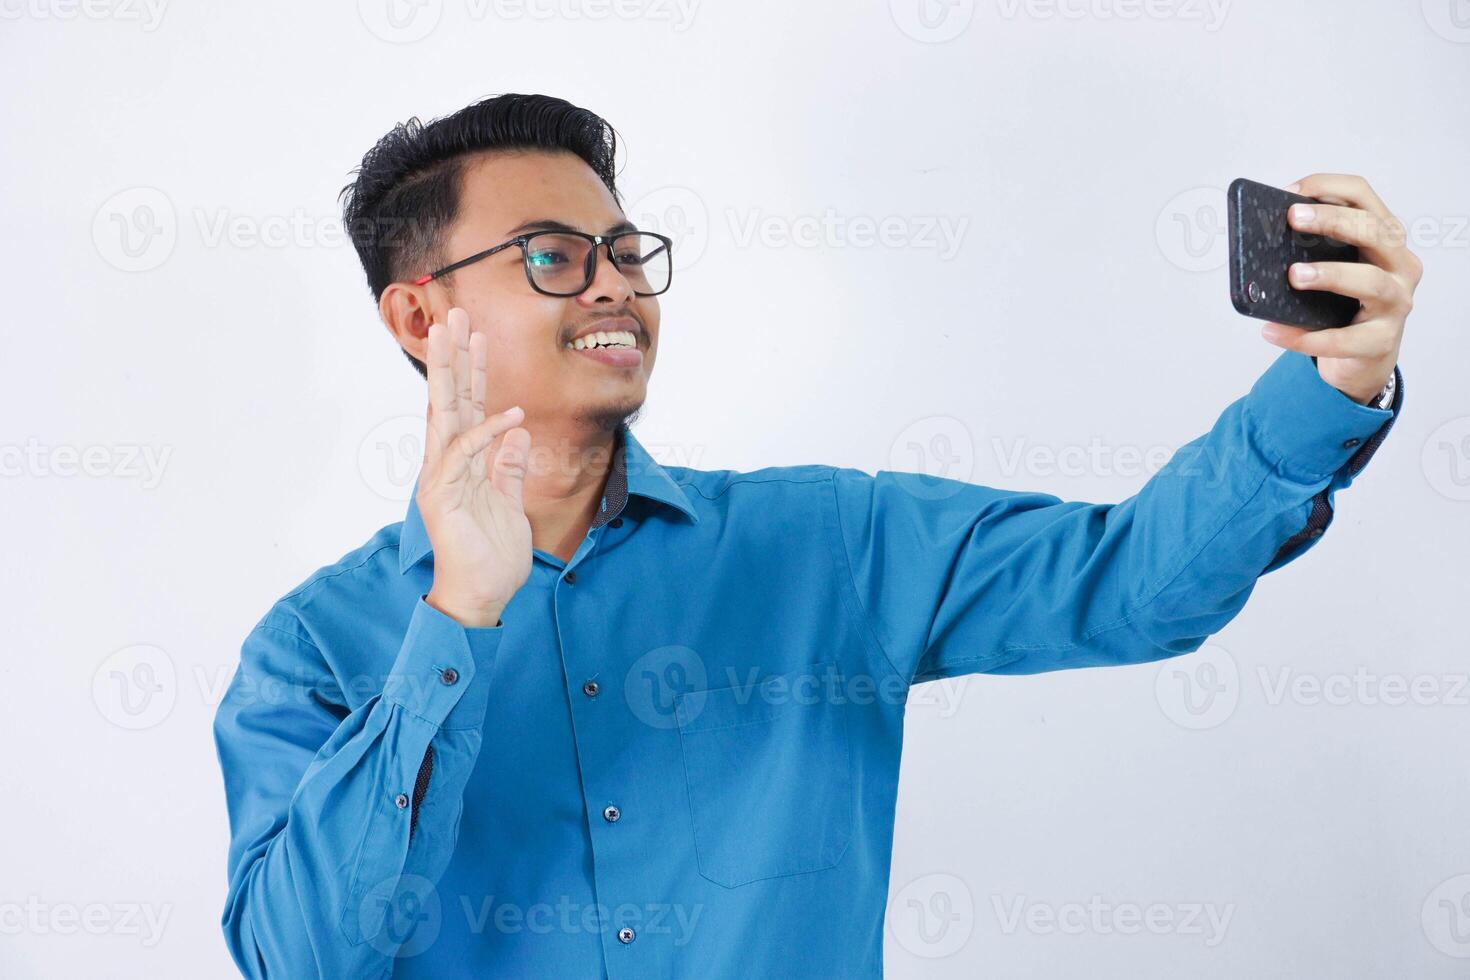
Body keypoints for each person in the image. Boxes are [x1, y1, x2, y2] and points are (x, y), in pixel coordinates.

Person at [211, 93, 1417, 978]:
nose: (615, 285)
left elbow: (1130, 579)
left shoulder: (824, 543)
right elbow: (302, 959)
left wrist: (1330, 381)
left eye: (628, 252)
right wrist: (457, 617)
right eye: (554, 256)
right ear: (422, 313)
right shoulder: (314, 650)